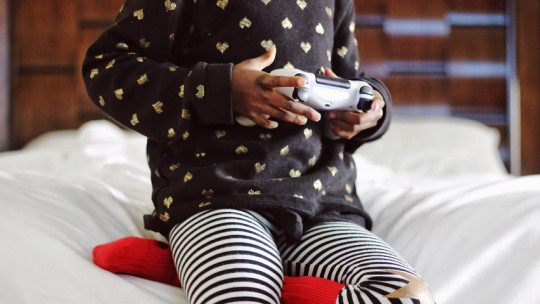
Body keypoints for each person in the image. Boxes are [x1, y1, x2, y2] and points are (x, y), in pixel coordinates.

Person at [83, 0, 435, 303]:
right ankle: (209, 264)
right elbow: (107, 68)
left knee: (409, 297)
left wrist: (370, 111)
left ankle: (187, 271)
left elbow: (348, 78)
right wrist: (222, 90)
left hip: (322, 206)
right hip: (217, 197)